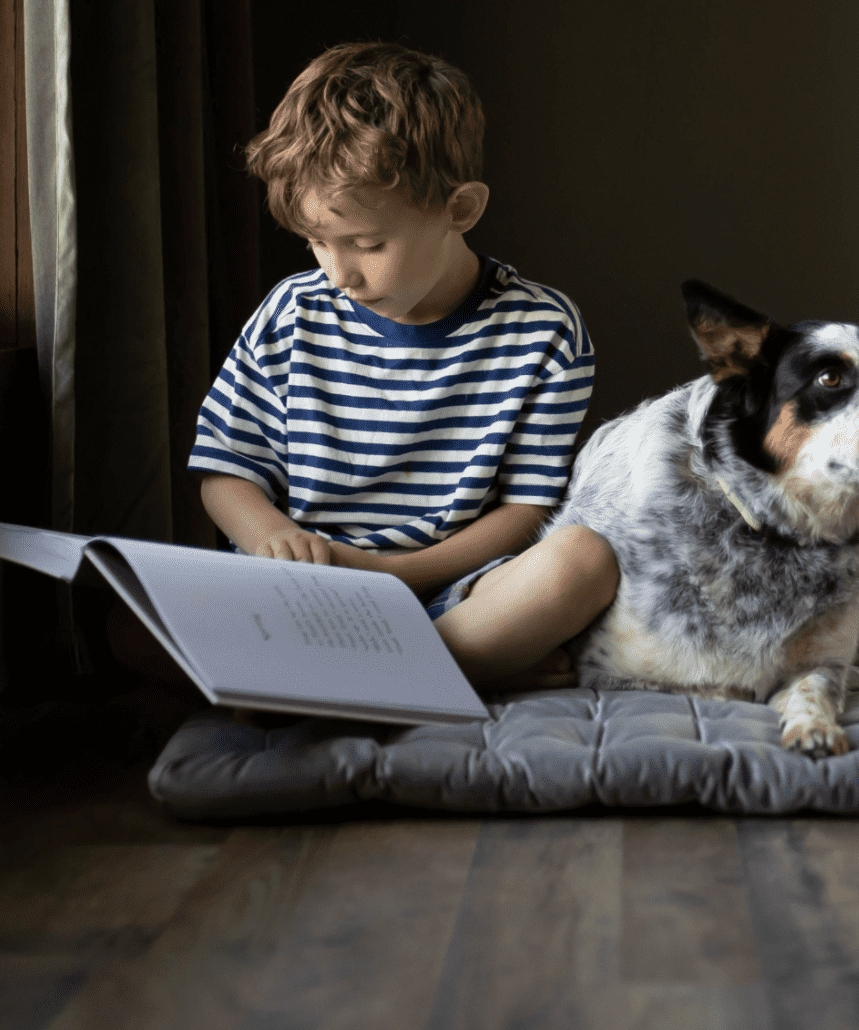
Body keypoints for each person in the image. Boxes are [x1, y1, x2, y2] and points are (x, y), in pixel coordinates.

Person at [191, 41, 618, 689]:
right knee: (121, 620)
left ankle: (346, 677)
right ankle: (437, 673)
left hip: (449, 592)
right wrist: (271, 535)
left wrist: (393, 574)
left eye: (367, 244)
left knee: (583, 562)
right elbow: (225, 471)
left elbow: (528, 508)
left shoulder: (544, 330)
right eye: (314, 243)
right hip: (296, 587)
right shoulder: (290, 312)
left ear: (460, 209)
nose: (339, 273)